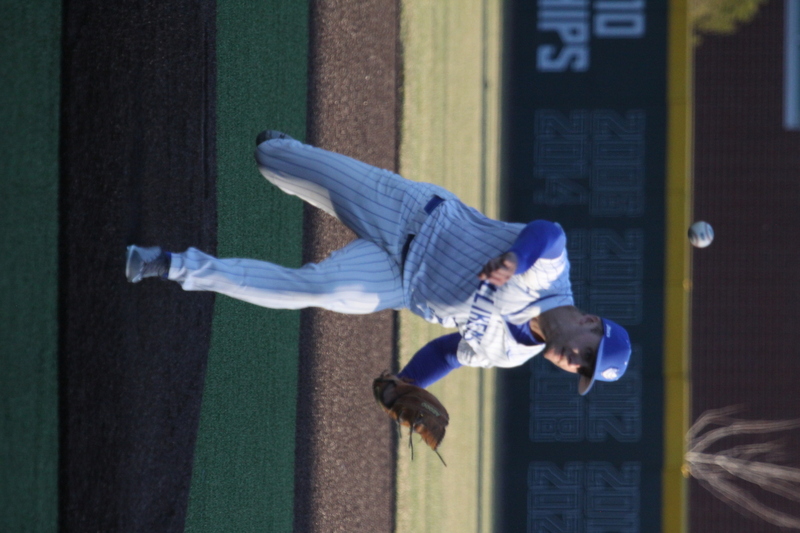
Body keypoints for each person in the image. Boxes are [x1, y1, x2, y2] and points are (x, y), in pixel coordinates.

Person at [126, 130, 631, 395]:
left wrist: (409, 383)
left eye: (582, 371)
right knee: (270, 158)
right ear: (590, 322)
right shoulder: (550, 273)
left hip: (394, 283)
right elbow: (548, 234)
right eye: (589, 353)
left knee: (312, 291)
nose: (576, 363)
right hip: (409, 212)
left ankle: (170, 265)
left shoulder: (509, 354)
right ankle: (282, 148)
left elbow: (451, 353)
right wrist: (513, 258)